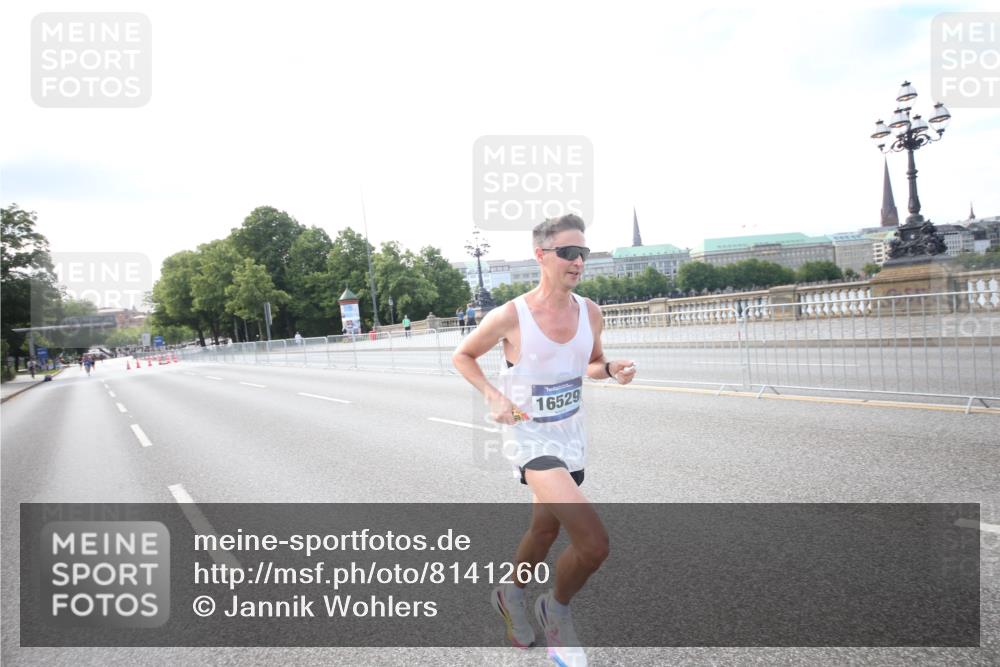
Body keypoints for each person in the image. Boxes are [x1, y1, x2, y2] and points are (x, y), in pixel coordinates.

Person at [452, 214, 636, 667]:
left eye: (584, 253)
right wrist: (494, 396)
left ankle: (510, 593)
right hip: (531, 439)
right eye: (568, 253)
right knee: (593, 544)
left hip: (570, 435)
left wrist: (610, 370)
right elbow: (463, 355)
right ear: (542, 256)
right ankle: (555, 611)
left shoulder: (590, 312)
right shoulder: (512, 315)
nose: (578, 262)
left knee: (545, 529)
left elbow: (591, 362)